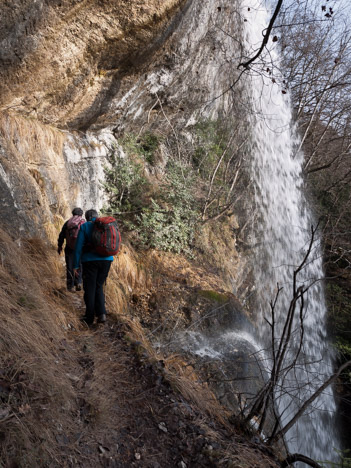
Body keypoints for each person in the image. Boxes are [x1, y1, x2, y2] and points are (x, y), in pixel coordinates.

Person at [73, 209, 113, 325]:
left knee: (90, 288)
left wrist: (75, 265)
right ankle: (102, 314)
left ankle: (89, 317)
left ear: (86, 217)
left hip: (90, 261)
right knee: (98, 286)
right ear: (97, 216)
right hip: (107, 260)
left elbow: (78, 248)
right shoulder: (105, 225)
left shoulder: (85, 226)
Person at [57, 207, 85, 291]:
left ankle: (70, 286)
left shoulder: (68, 223)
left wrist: (59, 246)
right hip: (80, 248)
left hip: (69, 248)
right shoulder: (83, 223)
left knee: (69, 266)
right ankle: (79, 282)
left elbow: (61, 235)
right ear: (81, 214)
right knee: (79, 265)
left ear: (73, 214)